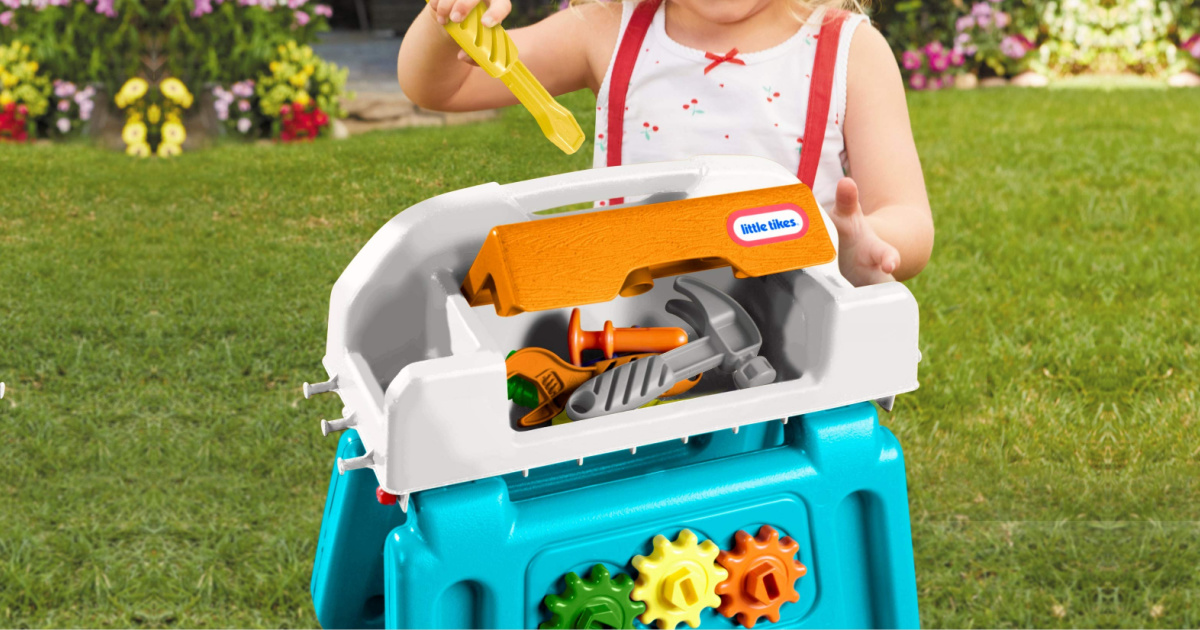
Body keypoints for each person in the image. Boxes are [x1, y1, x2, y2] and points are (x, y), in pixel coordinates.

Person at [398, 0, 933, 286]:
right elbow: (442, 85)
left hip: (796, 332)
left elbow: (905, 213)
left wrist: (864, 242)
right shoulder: (608, 27)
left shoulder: (850, 52)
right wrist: (445, 18)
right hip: (625, 325)